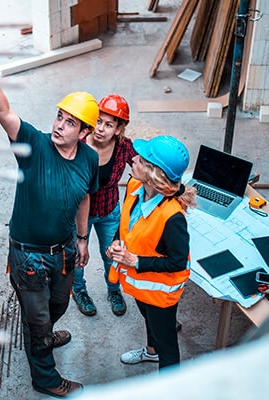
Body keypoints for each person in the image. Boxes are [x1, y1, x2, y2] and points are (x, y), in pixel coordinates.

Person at [0, 41, 99, 398]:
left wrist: (83, 239)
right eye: (59, 117)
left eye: (70, 123)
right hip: (29, 256)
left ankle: (43, 336)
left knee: (59, 305)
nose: (60, 126)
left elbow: (85, 196)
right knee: (37, 319)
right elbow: (3, 112)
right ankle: (46, 378)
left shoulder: (88, 159)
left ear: (84, 133)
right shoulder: (34, 145)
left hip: (65, 250)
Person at [105, 135, 196, 370]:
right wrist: (116, 242)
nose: (133, 159)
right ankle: (150, 352)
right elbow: (128, 223)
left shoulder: (173, 217)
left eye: (142, 160)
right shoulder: (135, 186)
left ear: (154, 174)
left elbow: (178, 263)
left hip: (160, 293)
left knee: (167, 344)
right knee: (148, 320)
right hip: (141, 284)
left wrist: (136, 261)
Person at [72, 94, 138, 317]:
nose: (100, 128)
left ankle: (114, 290)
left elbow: (143, 166)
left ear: (119, 129)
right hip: (80, 215)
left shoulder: (123, 148)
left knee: (111, 255)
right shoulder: (79, 145)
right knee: (78, 256)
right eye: (98, 121)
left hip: (109, 211)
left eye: (109, 124)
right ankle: (79, 290)